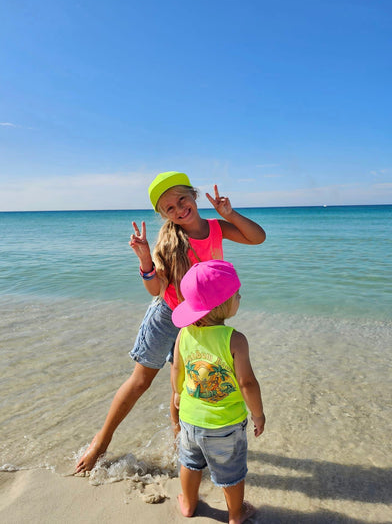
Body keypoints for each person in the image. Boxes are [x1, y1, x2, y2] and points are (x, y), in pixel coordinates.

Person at [75, 171, 265, 474]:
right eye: (169, 208)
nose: (179, 209)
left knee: (187, 380)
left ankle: (180, 436)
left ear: (194, 195)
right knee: (141, 381)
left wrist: (230, 214)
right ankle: (101, 439)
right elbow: (156, 289)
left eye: (182, 200)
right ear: (163, 214)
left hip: (202, 318)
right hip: (167, 315)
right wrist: (145, 260)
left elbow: (257, 238)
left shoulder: (216, 228)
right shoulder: (169, 239)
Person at [171, 260, 265, 524]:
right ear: (222, 303)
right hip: (225, 425)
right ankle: (236, 514)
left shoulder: (184, 333)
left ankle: (189, 504)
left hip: (190, 420)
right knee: (231, 473)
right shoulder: (235, 339)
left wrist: (178, 393)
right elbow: (247, 384)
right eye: (236, 294)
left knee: (190, 463)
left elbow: (177, 367)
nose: (240, 297)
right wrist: (258, 414)